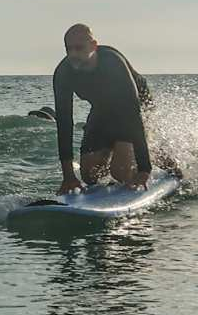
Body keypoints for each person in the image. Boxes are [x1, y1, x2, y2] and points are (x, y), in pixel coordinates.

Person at [52, 23, 154, 193]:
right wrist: (68, 176)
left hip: (133, 108)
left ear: (93, 46)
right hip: (102, 110)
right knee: (90, 175)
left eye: (79, 48)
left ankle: (151, 155)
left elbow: (134, 113)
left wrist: (144, 170)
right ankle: (121, 154)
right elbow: (64, 123)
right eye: (69, 49)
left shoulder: (113, 63)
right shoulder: (63, 73)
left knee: (121, 172)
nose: (73, 54)